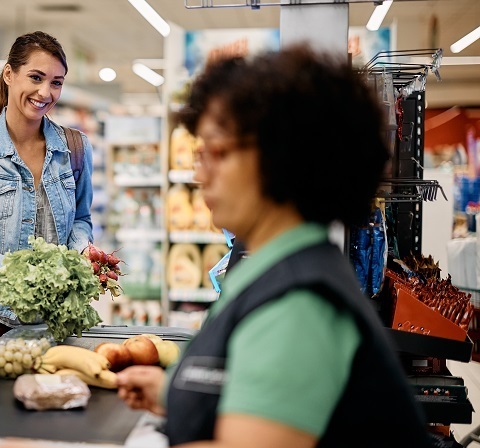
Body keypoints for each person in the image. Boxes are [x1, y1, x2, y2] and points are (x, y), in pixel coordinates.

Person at [116, 46, 432, 448]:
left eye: (218, 151)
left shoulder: (299, 303)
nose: (199, 173)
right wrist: (176, 394)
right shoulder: (278, 266)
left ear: (280, 158)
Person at [0, 31, 94, 343]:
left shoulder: (76, 149)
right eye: (36, 77)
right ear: (9, 74)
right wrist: (19, 275)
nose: (45, 92)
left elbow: (81, 220)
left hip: (55, 316)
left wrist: (84, 250)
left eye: (56, 82)